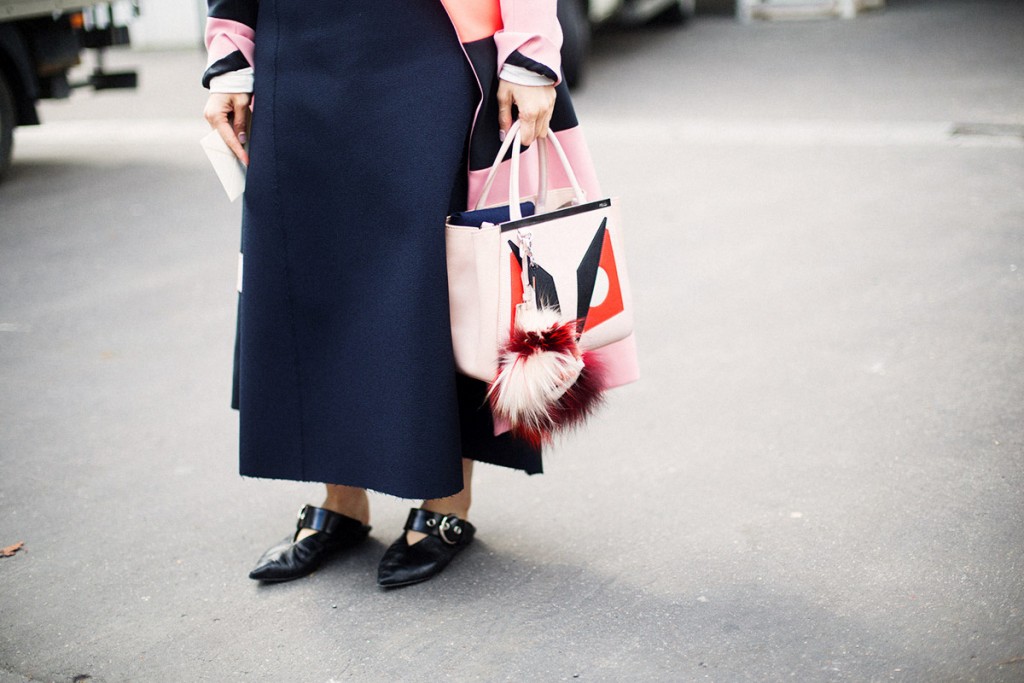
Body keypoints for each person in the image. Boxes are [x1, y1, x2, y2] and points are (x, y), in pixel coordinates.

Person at [202, 0, 637, 588]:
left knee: (435, 273)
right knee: (315, 270)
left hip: (430, 43)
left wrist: (531, 49)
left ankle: (445, 503)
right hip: (297, 45)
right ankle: (340, 500)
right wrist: (231, 53)